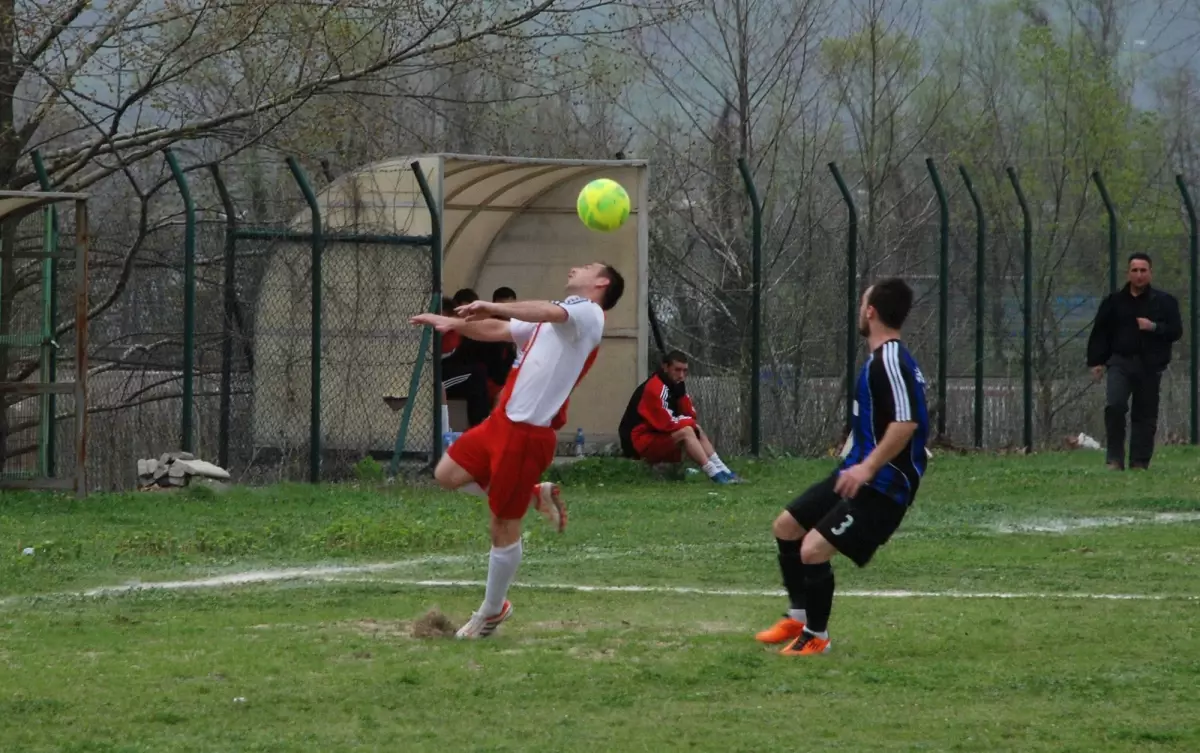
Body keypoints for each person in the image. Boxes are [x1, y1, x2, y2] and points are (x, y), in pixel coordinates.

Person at [410, 262, 626, 639]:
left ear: (601, 282)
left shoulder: (589, 314)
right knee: (446, 475)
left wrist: (493, 305)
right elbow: (499, 330)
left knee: (503, 525)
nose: (576, 267)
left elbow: (540, 311)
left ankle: (493, 611)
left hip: (527, 435)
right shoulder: (553, 318)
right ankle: (531, 493)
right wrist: (453, 324)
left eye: (588, 267)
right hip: (501, 423)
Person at [755, 278, 928, 656]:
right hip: (856, 474)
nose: (859, 309)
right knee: (787, 527)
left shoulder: (891, 360)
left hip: (883, 486)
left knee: (812, 550)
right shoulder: (880, 360)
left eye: (863, 303)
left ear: (871, 312)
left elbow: (906, 424)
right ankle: (799, 617)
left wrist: (867, 468)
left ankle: (817, 636)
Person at [1085, 253, 1183, 471]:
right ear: (1128, 273)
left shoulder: (1165, 302)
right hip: (1120, 362)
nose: (1139, 275)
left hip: (1150, 365)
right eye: (1135, 270)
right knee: (1115, 406)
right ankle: (1114, 459)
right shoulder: (1113, 302)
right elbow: (1100, 333)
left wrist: (1153, 327)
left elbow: (1176, 331)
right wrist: (1097, 362)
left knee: (1145, 415)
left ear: (1150, 273)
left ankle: (1139, 461)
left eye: (1143, 270)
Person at [617, 350, 740, 483]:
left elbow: (690, 414)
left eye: (684, 371)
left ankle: (724, 471)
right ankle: (715, 475)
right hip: (638, 442)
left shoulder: (675, 386)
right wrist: (690, 423)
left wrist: (681, 397)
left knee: (694, 428)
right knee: (687, 431)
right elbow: (667, 423)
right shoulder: (655, 387)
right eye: (677, 370)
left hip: (654, 435)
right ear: (665, 367)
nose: (681, 375)